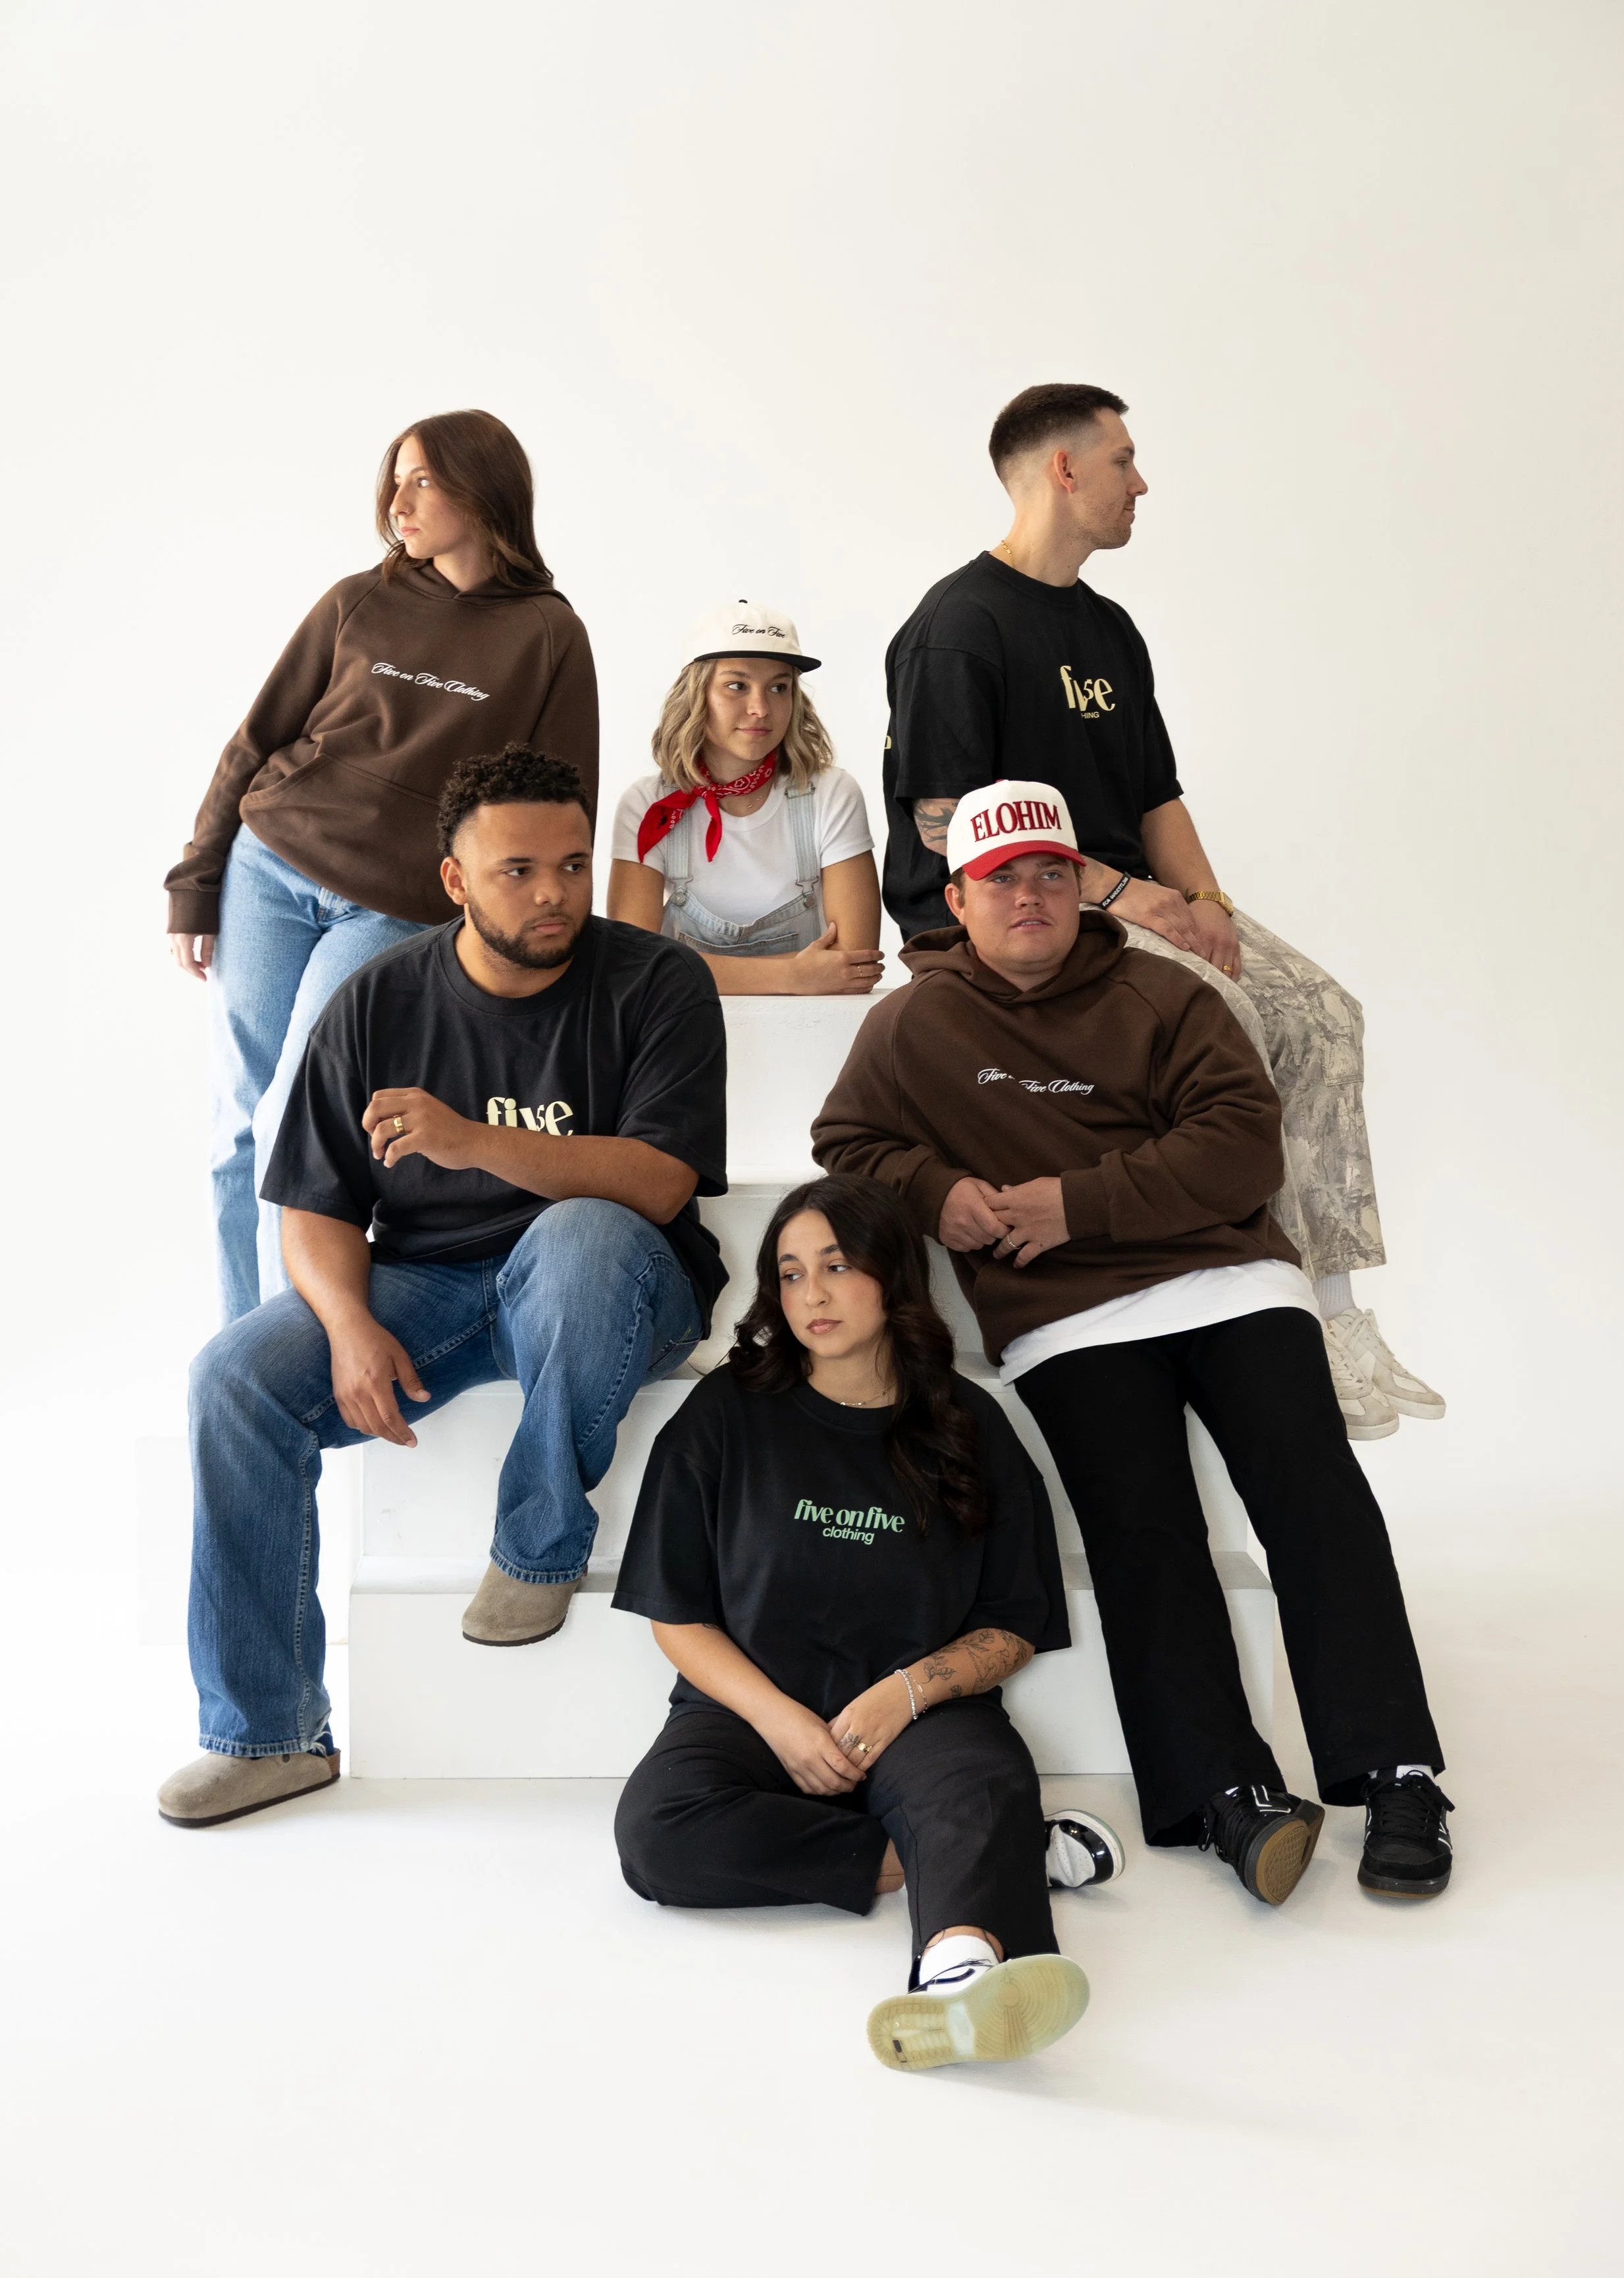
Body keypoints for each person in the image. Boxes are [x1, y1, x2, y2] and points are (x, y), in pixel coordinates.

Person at [813, 780, 1455, 1909]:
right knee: (1142, 1525)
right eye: (1001, 879)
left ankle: (1394, 1772)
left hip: (1230, 1280)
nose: (1030, 896)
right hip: (1065, 1320)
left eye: (1051, 874)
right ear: (956, 898)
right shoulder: (911, 1024)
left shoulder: (1165, 993)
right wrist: (938, 1190)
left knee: (1314, 1495)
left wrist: (1078, 1204)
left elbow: (1246, 1148)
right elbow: (849, 1143)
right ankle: (1226, 1794)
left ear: (1078, 887)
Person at [157, 745, 727, 1830]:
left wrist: (470, 1142)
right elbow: (314, 1203)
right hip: (434, 1284)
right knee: (233, 1379)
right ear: (456, 880)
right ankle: (267, 1734)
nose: (554, 892)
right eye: (518, 871)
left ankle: (538, 1544)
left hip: (619, 1289)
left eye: (570, 865)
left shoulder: (659, 982)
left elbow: (657, 1183)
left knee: (582, 1240)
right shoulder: (380, 998)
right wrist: (349, 1322)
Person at [879, 383, 1442, 1438]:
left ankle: (1336, 1313)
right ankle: (1259, 1299)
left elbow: (1155, 796)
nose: (1142, 483)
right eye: (1124, 460)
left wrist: (1208, 900)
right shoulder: (957, 628)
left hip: (1134, 897)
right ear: (1063, 470)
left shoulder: (1109, 628)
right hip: (1007, 913)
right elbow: (947, 825)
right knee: (1226, 1021)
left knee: (1324, 1011)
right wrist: (1128, 894)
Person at [612, 1174, 1122, 2072]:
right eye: (791, 1272)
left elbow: (1013, 1626)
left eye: (837, 1266)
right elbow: (676, 1612)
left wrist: (903, 1695)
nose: (812, 1293)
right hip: (748, 1712)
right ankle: (974, 1856)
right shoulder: (726, 1414)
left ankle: (958, 1977)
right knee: (657, 1833)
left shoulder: (970, 1425)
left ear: (891, 1275)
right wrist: (780, 1719)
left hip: (920, 1715)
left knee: (977, 1782)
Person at [167, 408, 599, 1324]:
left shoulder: (549, 634)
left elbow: (561, 801)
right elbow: (260, 738)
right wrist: (196, 878)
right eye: (395, 479)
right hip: (272, 865)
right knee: (238, 1121)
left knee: (296, 1114)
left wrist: (542, 938)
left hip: (394, 905)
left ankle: (291, 1349)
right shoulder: (356, 600)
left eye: (424, 481)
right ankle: (248, 1353)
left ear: (483, 493)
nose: (399, 501)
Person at [607, 601, 883, 995]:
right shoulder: (647, 804)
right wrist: (794, 976)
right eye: (736, 685)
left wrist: (680, 970)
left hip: (815, 1036)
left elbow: (855, 965)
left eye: (778, 687)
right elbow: (632, 967)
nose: (760, 709)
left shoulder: (830, 794)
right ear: (695, 693)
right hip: (678, 1036)